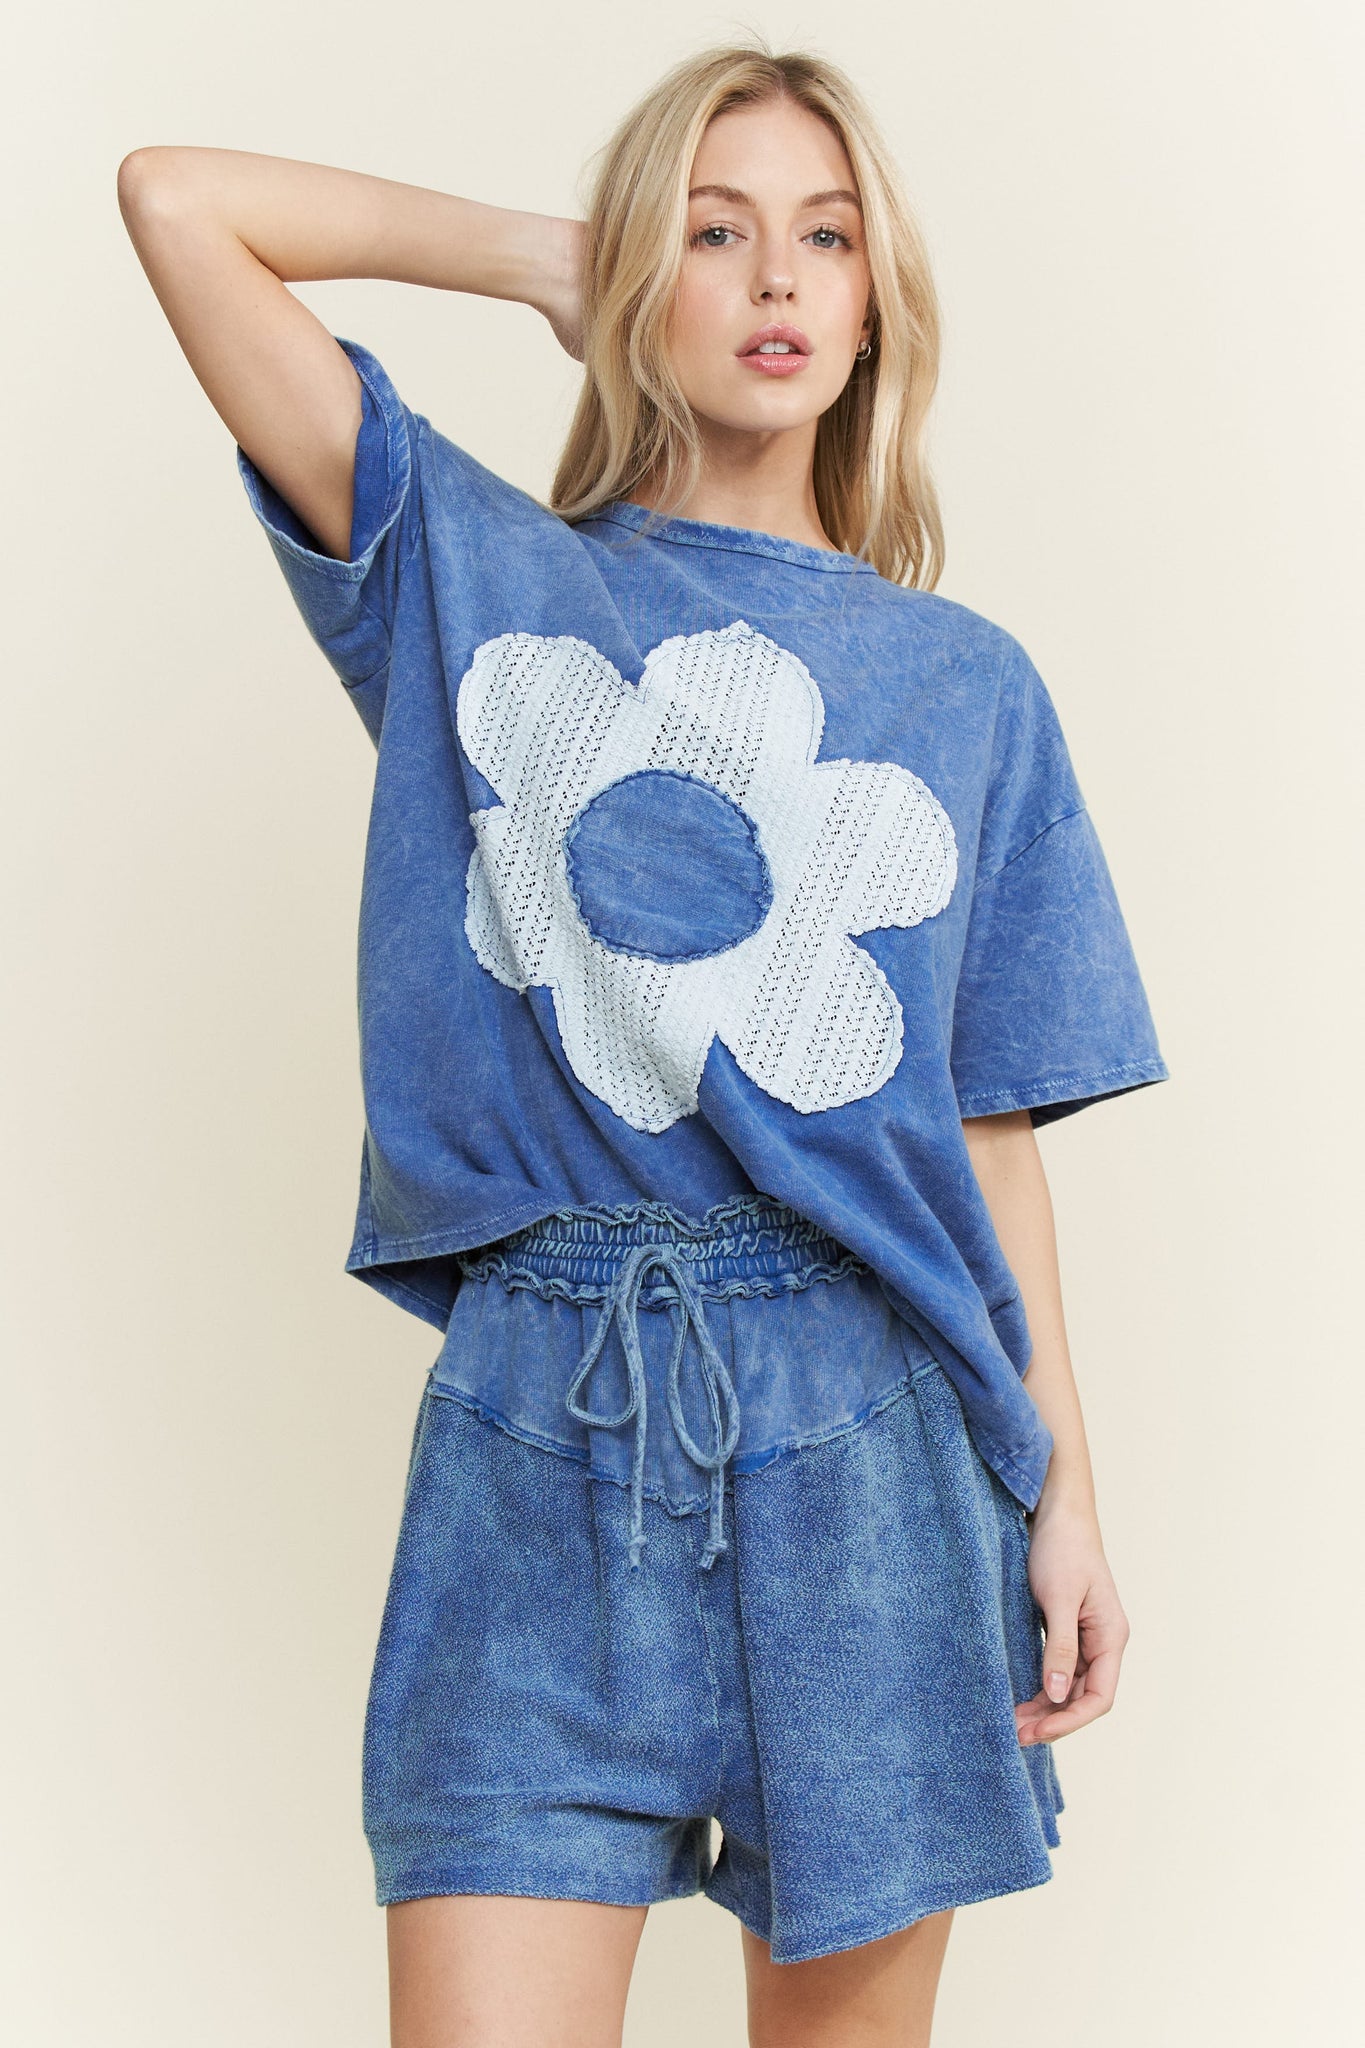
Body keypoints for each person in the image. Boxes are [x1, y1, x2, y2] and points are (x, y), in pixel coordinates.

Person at [118, 37, 1169, 2048]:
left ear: (874, 304)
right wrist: (555, 253)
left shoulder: (965, 688)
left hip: (875, 1444)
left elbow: (984, 1133)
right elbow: (178, 201)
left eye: (824, 238)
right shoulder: (471, 580)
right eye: (712, 231)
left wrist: (1067, 1496)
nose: (774, 279)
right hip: (539, 1444)